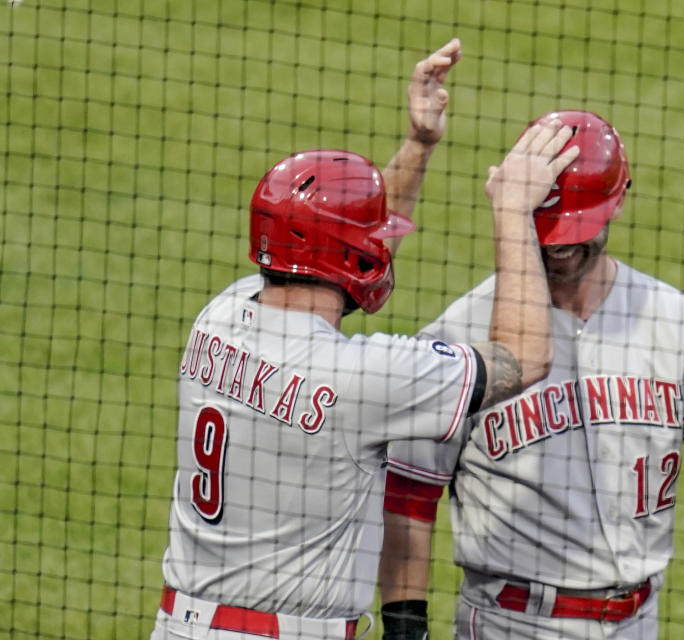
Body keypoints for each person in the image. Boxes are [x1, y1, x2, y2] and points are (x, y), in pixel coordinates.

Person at [150, 40, 582, 640]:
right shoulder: (363, 377)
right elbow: (525, 357)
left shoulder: (221, 315)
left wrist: (418, 146)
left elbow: (337, 251)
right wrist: (512, 210)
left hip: (181, 624)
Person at [379, 110, 684, 640]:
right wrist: (404, 629)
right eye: (546, 226)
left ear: (619, 201)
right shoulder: (461, 334)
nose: (559, 247)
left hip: (636, 623)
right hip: (511, 623)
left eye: (576, 231)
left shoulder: (673, 322)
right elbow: (408, 499)